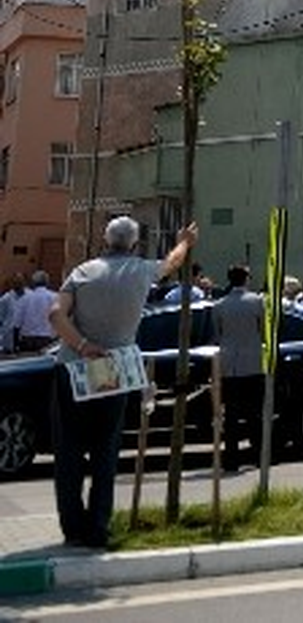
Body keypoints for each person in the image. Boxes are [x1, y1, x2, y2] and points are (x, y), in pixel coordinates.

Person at [49, 215, 198, 551]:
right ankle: (98, 528)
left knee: (69, 451)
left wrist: (82, 346)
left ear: (105, 240)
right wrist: (184, 242)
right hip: (114, 368)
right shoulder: (141, 271)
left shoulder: (83, 272)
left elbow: (55, 313)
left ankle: (72, 527)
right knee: (105, 451)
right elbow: (171, 263)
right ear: (134, 243)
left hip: (74, 367)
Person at [212, 264, 265, 473]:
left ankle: (231, 459)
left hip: (229, 366)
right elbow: (263, 330)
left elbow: (217, 335)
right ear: (246, 279)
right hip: (253, 362)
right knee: (255, 414)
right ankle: (259, 455)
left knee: (231, 415)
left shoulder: (219, 305)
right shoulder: (257, 302)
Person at [13, 269, 57, 351]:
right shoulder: (55, 297)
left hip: (27, 340)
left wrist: (15, 343)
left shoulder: (24, 298)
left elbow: (17, 323)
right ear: (47, 282)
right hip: (47, 340)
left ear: (33, 283)